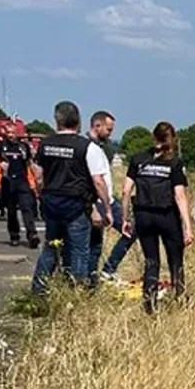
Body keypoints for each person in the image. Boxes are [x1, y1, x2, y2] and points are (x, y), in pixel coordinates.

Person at [30, 101, 112, 294]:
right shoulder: (86, 147)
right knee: (79, 250)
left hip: (52, 202)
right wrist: (106, 208)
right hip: (76, 205)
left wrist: (42, 194)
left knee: (51, 247)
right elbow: (98, 181)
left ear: (57, 120)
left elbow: (38, 175)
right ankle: (76, 290)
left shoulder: (45, 144)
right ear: (78, 121)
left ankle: (38, 288)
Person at [121, 122, 193, 314]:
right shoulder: (175, 163)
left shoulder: (138, 159)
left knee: (151, 260)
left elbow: (126, 190)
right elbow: (179, 195)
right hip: (167, 216)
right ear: (172, 139)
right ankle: (180, 299)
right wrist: (188, 227)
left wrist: (125, 218)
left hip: (144, 216)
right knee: (175, 260)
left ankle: (150, 305)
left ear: (153, 137)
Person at [83, 111, 117, 286]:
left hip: (105, 200)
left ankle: (98, 274)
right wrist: (106, 208)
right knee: (94, 244)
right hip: (99, 202)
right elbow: (97, 180)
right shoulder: (91, 149)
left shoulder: (98, 147)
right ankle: (92, 280)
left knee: (95, 244)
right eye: (108, 130)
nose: (110, 134)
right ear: (97, 126)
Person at [0, 123, 40, 247]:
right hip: (8, 181)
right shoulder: (0, 145)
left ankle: (32, 235)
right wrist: (0, 165)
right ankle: (14, 235)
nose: (10, 135)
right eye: (8, 132)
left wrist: (36, 177)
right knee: (11, 211)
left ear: (17, 133)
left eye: (13, 133)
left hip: (22, 180)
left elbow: (29, 162)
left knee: (27, 207)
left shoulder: (23, 146)